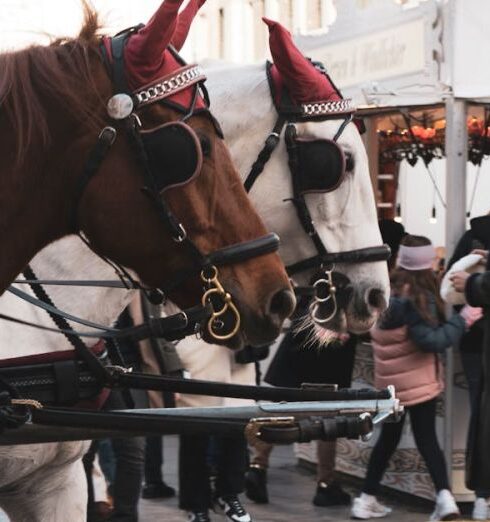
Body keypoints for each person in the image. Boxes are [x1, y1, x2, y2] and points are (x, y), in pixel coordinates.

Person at [351, 234, 481, 520]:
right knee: (427, 441)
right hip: (419, 384)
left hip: (390, 385)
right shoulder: (417, 299)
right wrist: (465, 318)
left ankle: (365, 499)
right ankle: (446, 501)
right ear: (426, 264)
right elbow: (433, 341)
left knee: (388, 441)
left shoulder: (386, 291)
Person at [245, 300, 355, 508]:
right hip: (328, 357)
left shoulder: (313, 278)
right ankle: (325, 484)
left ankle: (257, 467)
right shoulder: (349, 280)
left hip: (296, 349)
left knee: (281, 411)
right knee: (328, 419)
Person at [445, 213, 490, 520]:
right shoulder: (475, 234)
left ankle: (483, 498)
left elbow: (451, 285)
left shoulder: (475, 233)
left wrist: (472, 283)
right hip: (478, 345)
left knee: (483, 416)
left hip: (477, 343)